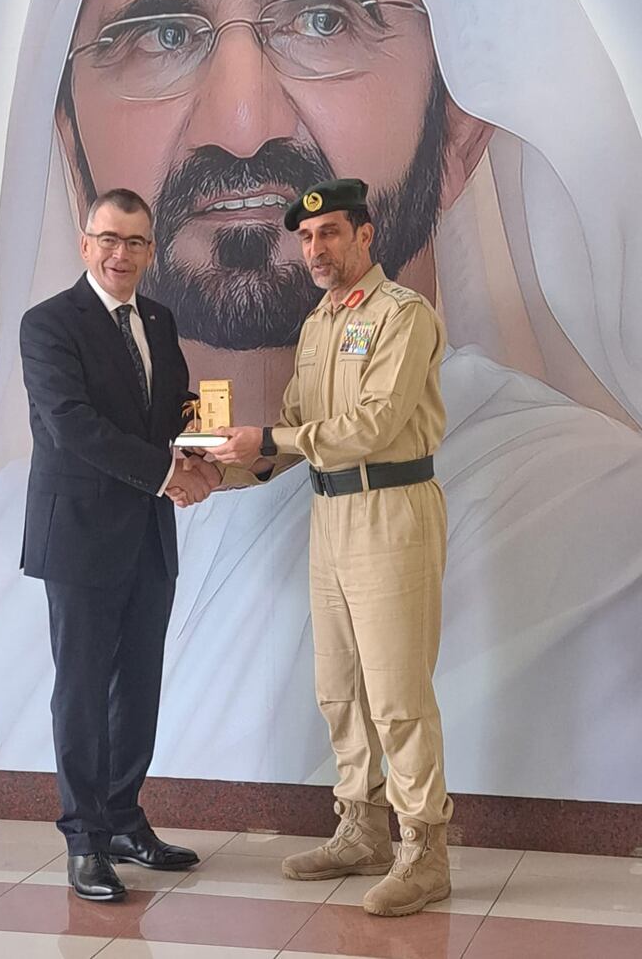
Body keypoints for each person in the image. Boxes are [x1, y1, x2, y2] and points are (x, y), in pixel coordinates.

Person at [0, 0, 641, 807]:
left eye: (324, 23)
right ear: (72, 149)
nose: (242, 121)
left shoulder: (591, 534)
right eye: (162, 37)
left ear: (459, 133)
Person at [212, 178, 452, 916]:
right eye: (307, 239)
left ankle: (425, 850)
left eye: (330, 234)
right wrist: (212, 468)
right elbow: (290, 433)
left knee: (397, 693)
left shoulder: (403, 317)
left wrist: (274, 440)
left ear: (365, 236)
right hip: (330, 518)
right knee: (339, 686)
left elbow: (373, 427)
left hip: (391, 508)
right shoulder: (318, 324)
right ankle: (361, 828)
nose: (316, 248)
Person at [19, 187, 218, 901]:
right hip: (76, 538)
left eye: (135, 242)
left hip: (146, 535)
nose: (120, 254)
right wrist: (170, 472)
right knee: (80, 691)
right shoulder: (48, 325)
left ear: (150, 250)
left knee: (137, 684)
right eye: (108, 238)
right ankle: (84, 840)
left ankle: (127, 819)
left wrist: (206, 447)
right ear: (85, 242)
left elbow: (172, 409)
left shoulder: (159, 320)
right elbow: (72, 425)